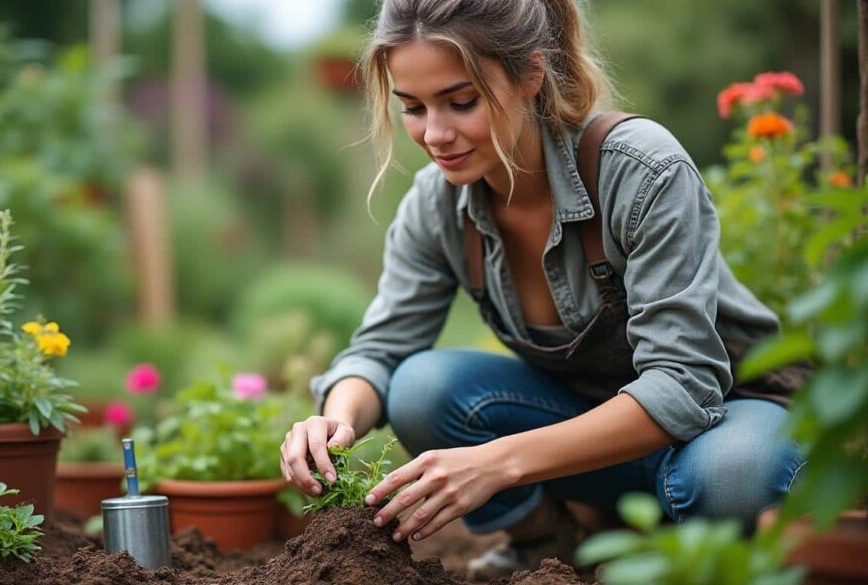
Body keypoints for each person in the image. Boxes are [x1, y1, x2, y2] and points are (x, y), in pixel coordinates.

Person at [279, 0, 804, 579]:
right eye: (413, 107)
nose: (434, 133)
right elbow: (382, 349)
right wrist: (335, 419)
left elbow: (683, 385)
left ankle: (671, 548)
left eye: (461, 102)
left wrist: (497, 464)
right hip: (589, 430)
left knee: (733, 475)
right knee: (421, 388)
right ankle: (551, 545)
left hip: (725, 416)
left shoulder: (640, 169)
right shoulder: (438, 205)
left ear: (531, 74)